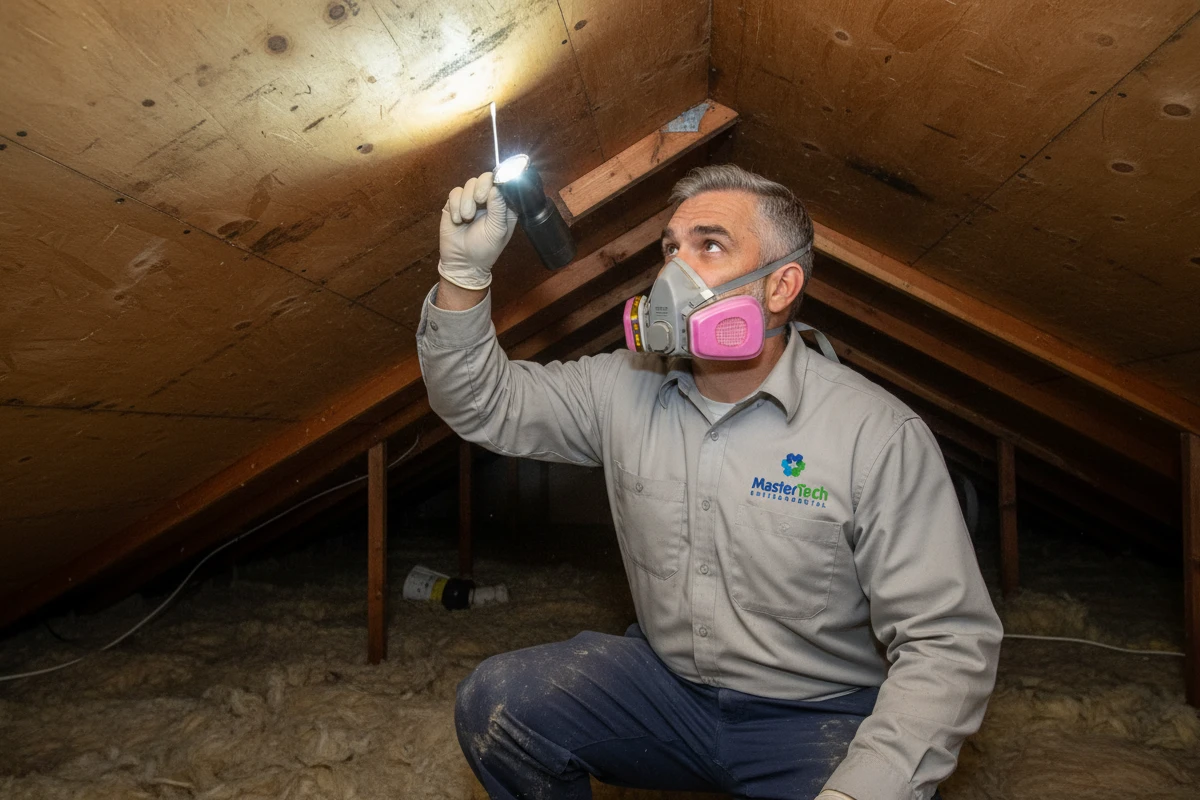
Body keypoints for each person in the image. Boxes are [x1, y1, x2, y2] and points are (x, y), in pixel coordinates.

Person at [417, 164, 1002, 800]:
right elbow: (484, 403)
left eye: (711, 246)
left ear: (780, 286)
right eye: (671, 248)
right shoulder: (620, 386)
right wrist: (462, 278)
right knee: (500, 705)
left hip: (819, 716)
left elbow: (948, 641)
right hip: (667, 691)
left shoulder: (876, 435)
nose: (675, 271)